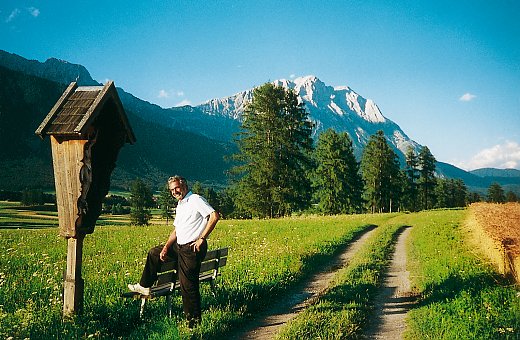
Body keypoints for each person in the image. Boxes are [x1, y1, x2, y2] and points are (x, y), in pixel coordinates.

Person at [128, 175, 220, 326]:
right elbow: (177, 230)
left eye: (176, 188)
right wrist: (166, 247)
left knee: (188, 286)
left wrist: (202, 238)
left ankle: (193, 324)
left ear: (184, 185)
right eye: (171, 190)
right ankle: (144, 286)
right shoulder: (181, 204)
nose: (174, 192)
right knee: (154, 253)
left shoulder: (195, 199)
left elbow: (214, 216)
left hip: (191, 248)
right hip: (180, 246)